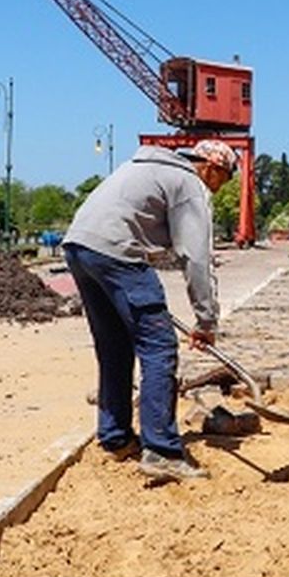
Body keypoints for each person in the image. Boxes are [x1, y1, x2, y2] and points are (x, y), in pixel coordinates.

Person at [62, 139, 238, 484]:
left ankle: (116, 438)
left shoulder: (145, 166)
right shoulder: (190, 183)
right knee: (159, 348)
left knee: (114, 347)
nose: (220, 188)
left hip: (79, 247)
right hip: (118, 251)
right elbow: (196, 258)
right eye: (226, 179)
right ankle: (162, 451)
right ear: (213, 167)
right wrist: (206, 321)